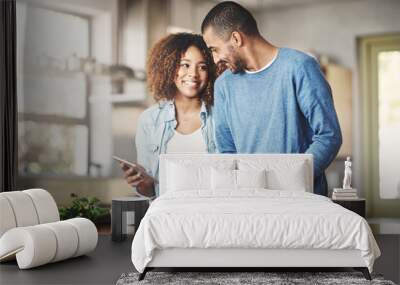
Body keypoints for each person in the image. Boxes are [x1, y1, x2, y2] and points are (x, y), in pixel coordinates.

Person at [201, 1, 342, 196]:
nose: (215, 60)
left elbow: (328, 135)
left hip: (301, 201)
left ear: (236, 38)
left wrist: (289, 182)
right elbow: (227, 152)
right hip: (249, 201)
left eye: (214, 49)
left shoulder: (299, 67)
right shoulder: (224, 85)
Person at [120, 33, 216, 197]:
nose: (193, 73)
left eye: (203, 67)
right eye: (185, 65)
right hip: (166, 215)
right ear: (169, 67)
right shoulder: (149, 120)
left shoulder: (221, 117)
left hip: (210, 213)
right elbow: (150, 192)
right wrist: (141, 183)